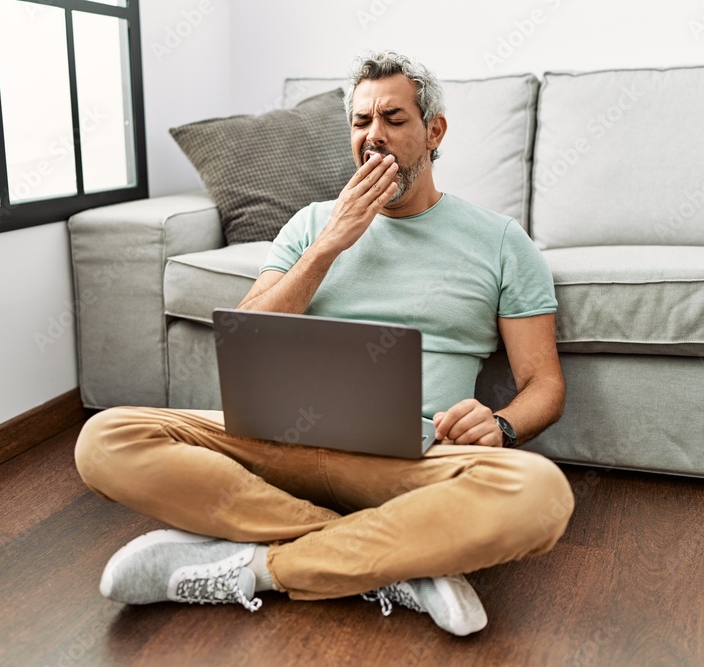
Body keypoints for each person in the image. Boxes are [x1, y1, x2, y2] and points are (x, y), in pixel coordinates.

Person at [74, 51, 574, 637]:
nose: (374, 137)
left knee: (539, 494)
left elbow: (544, 385)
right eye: (362, 122)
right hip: (277, 445)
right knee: (106, 438)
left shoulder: (501, 242)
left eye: (394, 118)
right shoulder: (312, 224)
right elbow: (249, 335)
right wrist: (329, 245)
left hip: (410, 455)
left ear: (433, 130)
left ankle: (261, 566)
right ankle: (393, 558)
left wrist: (503, 426)